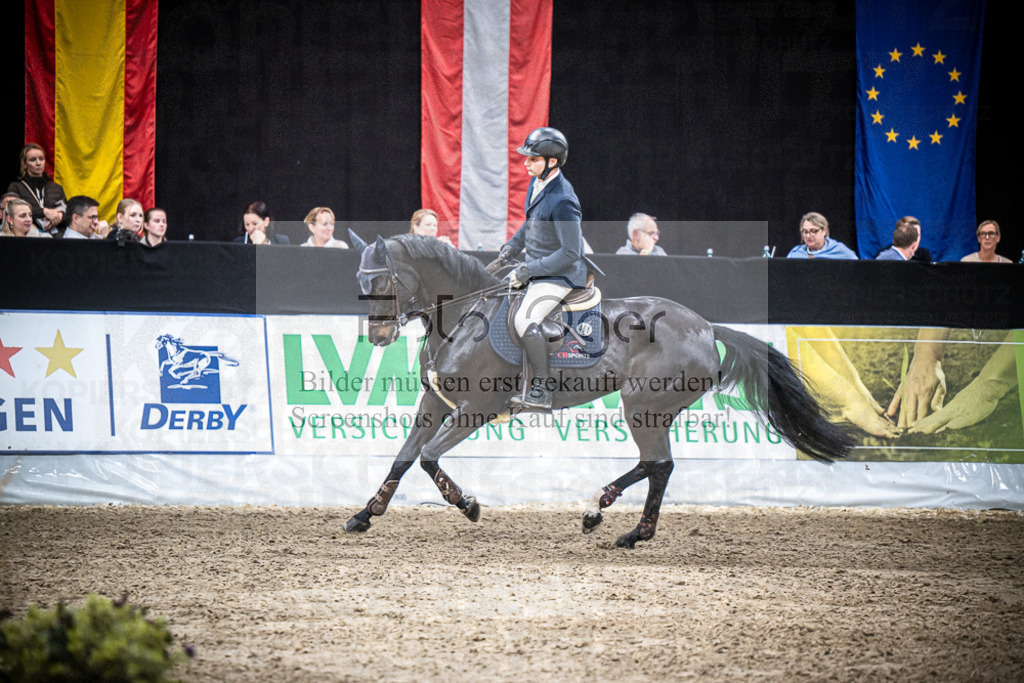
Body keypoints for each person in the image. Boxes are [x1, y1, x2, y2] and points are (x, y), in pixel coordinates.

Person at [493, 126, 586, 410]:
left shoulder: (564, 200)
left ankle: (542, 388)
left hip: (560, 275)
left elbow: (572, 252)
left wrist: (528, 269)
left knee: (524, 321)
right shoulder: (538, 184)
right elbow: (531, 222)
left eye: (532, 159)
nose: (526, 163)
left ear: (552, 162)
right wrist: (511, 246)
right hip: (537, 266)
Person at [6, 143, 67, 236]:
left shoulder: (56, 188)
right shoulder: (16, 187)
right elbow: (12, 211)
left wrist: (60, 216)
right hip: (29, 235)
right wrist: (44, 212)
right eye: (33, 160)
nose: (38, 163)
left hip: (57, 236)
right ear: (24, 164)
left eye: (41, 159)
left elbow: (69, 214)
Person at [786, 212, 857, 259]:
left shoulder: (839, 250)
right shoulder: (796, 253)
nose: (808, 236)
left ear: (824, 231)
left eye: (813, 231)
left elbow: (857, 268)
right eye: (805, 232)